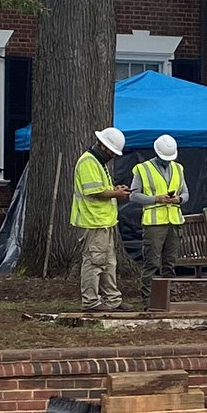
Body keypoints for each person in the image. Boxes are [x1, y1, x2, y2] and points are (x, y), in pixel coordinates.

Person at [72, 127, 131, 312]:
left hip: (103, 221)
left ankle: (113, 299)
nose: (113, 156)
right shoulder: (88, 162)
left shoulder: (98, 162)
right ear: (104, 147)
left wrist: (115, 189)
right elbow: (94, 191)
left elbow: (101, 187)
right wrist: (116, 193)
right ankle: (90, 301)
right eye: (113, 152)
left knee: (109, 262)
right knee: (94, 262)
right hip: (93, 221)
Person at [130, 134, 189, 305]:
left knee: (169, 263)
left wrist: (178, 199)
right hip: (154, 223)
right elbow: (133, 196)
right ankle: (148, 299)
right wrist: (156, 199)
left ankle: (169, 297)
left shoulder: (178, 168)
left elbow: (185, 193)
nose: (167, 161)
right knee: (152, 262)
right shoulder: (142, 168)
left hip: (174, 221)